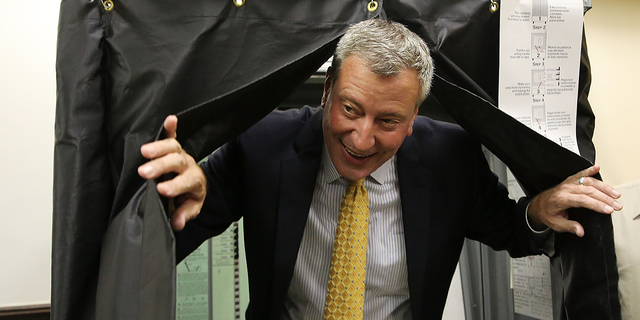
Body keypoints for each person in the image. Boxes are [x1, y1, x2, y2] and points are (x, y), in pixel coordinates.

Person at [137, 19, 622, 319]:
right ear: (326, 93)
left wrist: (539, 207)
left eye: (388, 120)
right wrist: (180, 190)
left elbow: (514, 230)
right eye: (350, 109)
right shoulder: (262, 142)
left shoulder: (450, 158)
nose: (362, 138)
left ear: (414, 121)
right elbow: (169, 238)